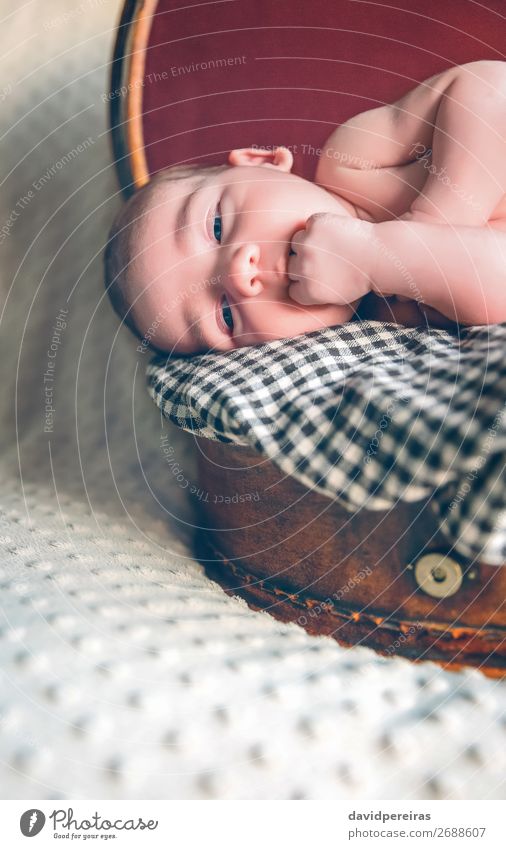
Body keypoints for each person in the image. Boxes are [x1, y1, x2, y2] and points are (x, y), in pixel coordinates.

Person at [104, 60, 506, 354]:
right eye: (226, 315)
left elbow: (489, 91)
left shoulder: (352, 161)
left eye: (218, 226)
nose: (239, 273)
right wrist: (381, 258)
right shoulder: (394, 324)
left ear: (261, 162)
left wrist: (436, 221)